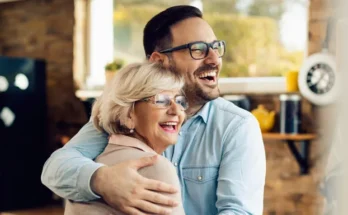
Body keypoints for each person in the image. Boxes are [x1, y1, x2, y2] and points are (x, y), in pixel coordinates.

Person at [42, 5, 266, 215]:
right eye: (198, 49)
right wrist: (102, 180)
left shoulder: (236, 126)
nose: (215, 59)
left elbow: (239, 211)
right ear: (159, 61)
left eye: (216, 48)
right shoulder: (125, 115)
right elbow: (55, 168)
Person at [64, 62, 186, 215]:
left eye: (180, 101)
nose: (176, 110)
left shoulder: (85, 166)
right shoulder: (156, 168)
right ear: (128, 114)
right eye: (161, 100)